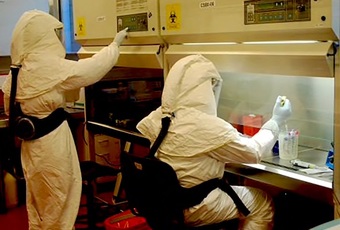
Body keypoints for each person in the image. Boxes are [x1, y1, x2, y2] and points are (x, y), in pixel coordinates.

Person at [1, 10, 128, 230]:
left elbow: (8, 105)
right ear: (43, 35)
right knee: (59, 198)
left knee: (39, 201)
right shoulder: (47, 66)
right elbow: (90, 70)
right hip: (52, 146)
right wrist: (114, 46)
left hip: (31, 150)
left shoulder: (17, 69)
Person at [136, 54, 292, 229]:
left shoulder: (158, 117)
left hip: (164, 202)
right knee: (262, 203)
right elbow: (254, 152)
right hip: (196, 205)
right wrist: (276, 121)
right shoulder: (203, 125)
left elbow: (188, 144)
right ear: (201, 90)